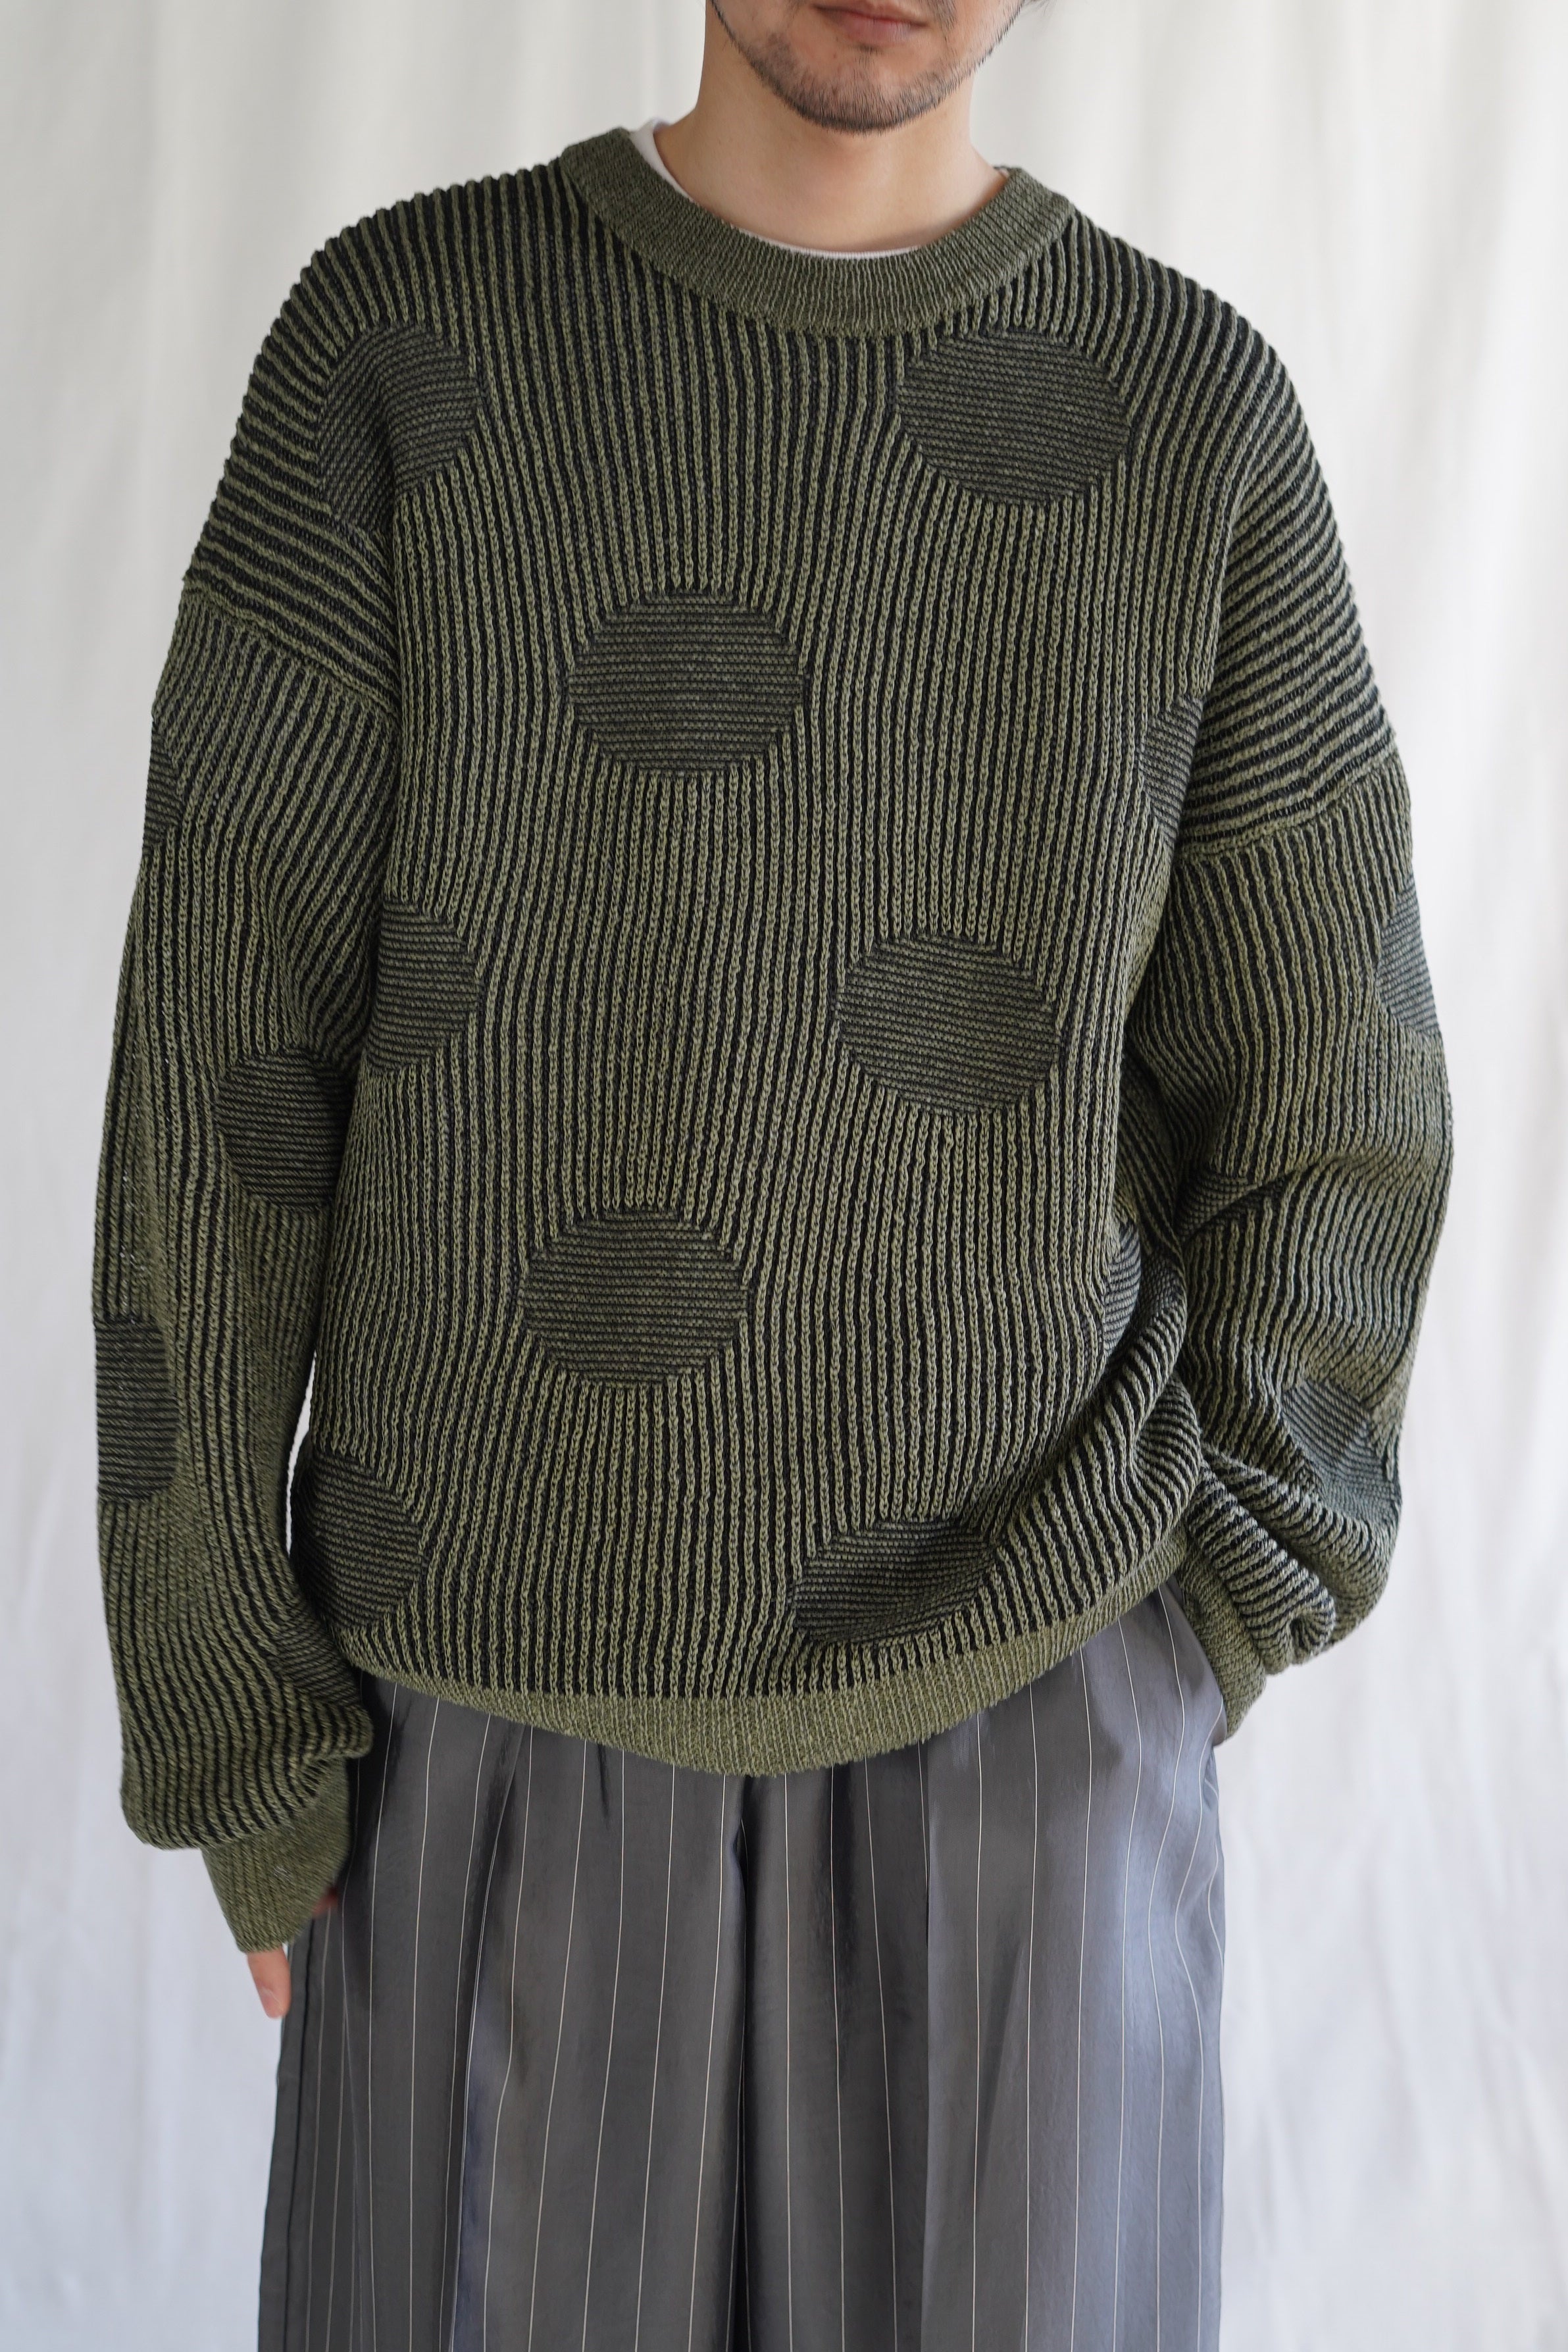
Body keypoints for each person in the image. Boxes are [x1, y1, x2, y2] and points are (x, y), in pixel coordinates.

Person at [92, 2, 1452, 2345]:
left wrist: (1203, 1612)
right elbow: (221, 1079)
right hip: (479, 1718)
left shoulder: (1188, 423)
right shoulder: (406, 349)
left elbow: (1342, 1098)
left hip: (1037, 1721)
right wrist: (235, 1716)